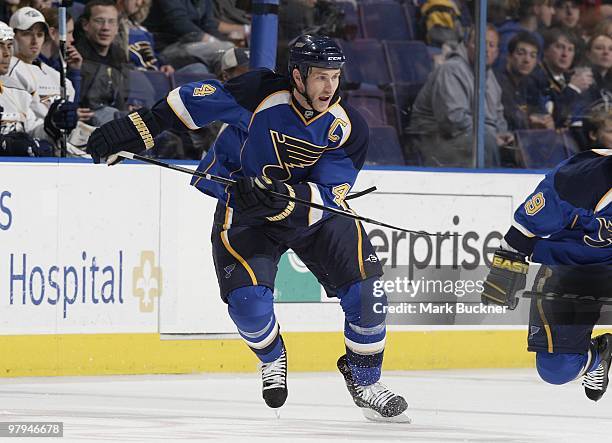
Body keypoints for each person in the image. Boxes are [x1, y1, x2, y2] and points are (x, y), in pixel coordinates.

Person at [86, 34, 410, 422]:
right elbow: (194, 102)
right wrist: (138, 127)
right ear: (298, 75)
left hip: (312, 217)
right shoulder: (259, 91)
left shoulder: (350, 127)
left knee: (369, 294)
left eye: (335, 77)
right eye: (321, 77)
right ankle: (273, 358)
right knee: (247, 305)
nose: (329, 87)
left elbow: (329, 193)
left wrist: (285, 200)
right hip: (245, 210)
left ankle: (365, 381)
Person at [480, 108, 611, 401]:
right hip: (574, 271)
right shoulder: (582, 179)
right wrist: (509, 260)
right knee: (556, 369)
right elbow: (528, 224)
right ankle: (596, 356)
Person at [407, 25, 512, 167]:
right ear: (468, 45)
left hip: (472, 138)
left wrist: (503, 133)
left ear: (497, 52)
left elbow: (498, 115)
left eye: (492, 45)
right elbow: (453, 121)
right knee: (484, 143)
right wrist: (493, 136)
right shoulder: (451, 69)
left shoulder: (490, 76)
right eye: (480, 43)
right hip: (433, 141)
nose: (486, 50)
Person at [0, 20, 69, 156]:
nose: (7, 53)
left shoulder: (17, 91)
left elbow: (33, 130)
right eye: (0, 46)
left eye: (9, 46)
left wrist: (52, 125)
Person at [76, 0, 129, 125]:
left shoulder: (120, 57)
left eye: (111, 22)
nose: (106, 27)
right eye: (99, 21)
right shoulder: (75, 58)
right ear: (85, 25)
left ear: (117, 27)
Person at [496, 31, 553, 131]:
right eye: (521, 53)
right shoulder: (498, 83)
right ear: (509, 56)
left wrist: (546, 121)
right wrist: (530, 120)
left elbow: (540, 112)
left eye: (532, 55)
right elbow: (510, 118)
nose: (527, 60)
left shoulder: (530, 84)